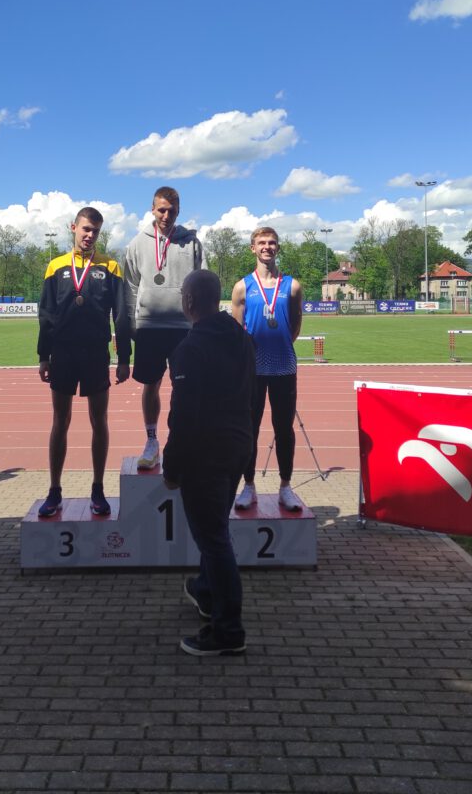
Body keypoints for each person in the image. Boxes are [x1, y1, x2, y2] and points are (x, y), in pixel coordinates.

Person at [162, 269, 255, 656]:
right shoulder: (242, 338)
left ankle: (228, 631)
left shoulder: (189, 348)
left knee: (214, 540)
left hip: (206, 454)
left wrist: (171, 466)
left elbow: (184, 416)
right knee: (216, 527)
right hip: (238, 446)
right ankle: (204, 590)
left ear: (188, 301)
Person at [37, 206, 131, 518]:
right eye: (86, 229)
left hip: (95, 354)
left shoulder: (111, 267)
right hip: (62, 353)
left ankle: (98, 488)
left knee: (99, 420)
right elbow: (46, 315)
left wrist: (124, 358)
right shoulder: (56, 266)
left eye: (95, 231)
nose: (90, 235)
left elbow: (121, 315)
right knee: (60, 421)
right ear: (73, 227)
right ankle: (54, 490)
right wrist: (43, 356)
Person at [124, 186, 207, 470]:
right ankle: (151, 441)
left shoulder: (191, 243)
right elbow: (130, 287)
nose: (166, 216)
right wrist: (131, 323)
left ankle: (181, 441)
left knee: (185, 386)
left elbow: (203, 282)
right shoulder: (137, 243)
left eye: (172, 211)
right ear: (152, 209)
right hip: (149, 326)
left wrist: (201, 322)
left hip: (184, 326)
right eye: (161, 210)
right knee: (151, 385)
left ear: (179, 211)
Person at [231, 226, 303, 511]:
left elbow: (295, 326)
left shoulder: (292, 286)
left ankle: (285, 487)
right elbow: (238, 332)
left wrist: (279, 345)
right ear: (253, 248)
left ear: (278, 248)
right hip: (253, 371)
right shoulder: (242, 286)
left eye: (272, 242)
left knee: (284, 430)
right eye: (261, 242)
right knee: (249, 429)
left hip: (284, 367)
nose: (267, 247)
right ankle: (248, 486)